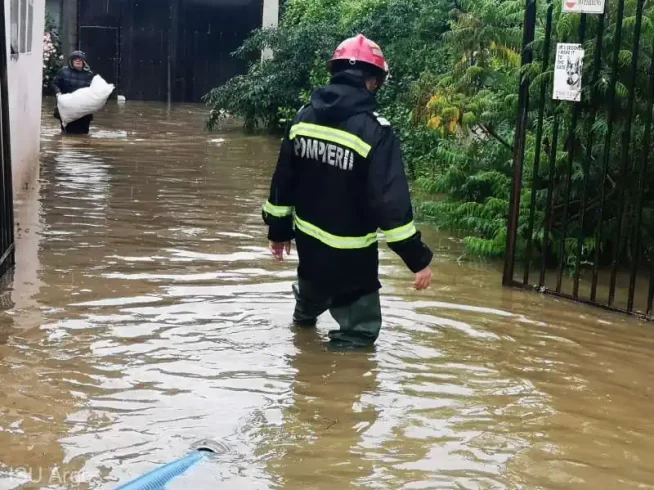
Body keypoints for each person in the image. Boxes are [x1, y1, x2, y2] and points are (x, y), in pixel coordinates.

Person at [262, 34, 434, 350]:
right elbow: (390, 204)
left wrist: (279, 231)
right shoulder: (375, 130)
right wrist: (417, 259)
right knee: (357, 335)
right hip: (352, 258)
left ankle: (304, 377)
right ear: (374, 81)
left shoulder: (303, 117)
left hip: (310, 247)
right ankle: (333, 393)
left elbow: (283, 180)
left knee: (308, 307)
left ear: (335, 71)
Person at [52, 51, 95, 135]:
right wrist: (58, 93)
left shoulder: (90, 75)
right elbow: (54, 83)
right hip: (66, 108)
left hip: (83, 111)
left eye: (80, 59)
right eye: (75, 59)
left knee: (83, 135)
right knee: (67, 134)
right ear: (71, 61)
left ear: (84, 61)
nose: (78, 61)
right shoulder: (63, 72)